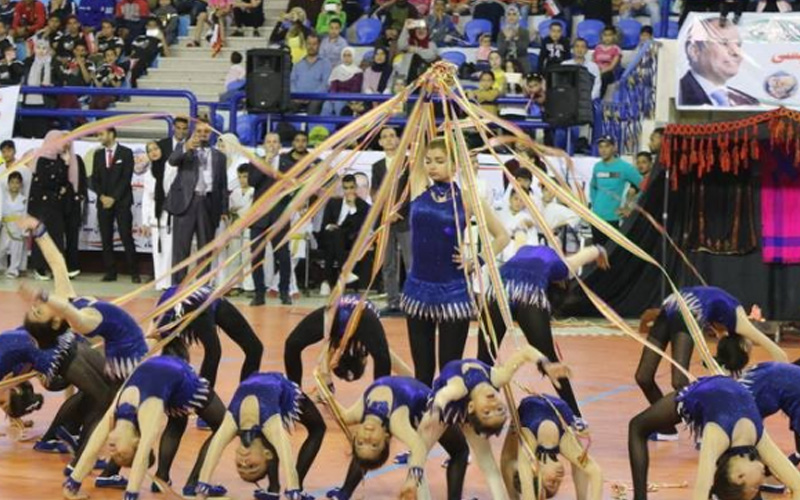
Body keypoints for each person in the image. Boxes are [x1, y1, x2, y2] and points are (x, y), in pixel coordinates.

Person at [402, 138, 509, 387]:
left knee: (449, 372)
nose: (432, 166)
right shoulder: (418, 188)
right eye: (428, 161)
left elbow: (502, 236)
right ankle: (423, 410)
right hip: (417, 291)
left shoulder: (467, 198)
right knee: (422, 372)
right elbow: (417, 150)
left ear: (454, 164)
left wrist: (476, 260)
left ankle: (448, 410)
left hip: (453, 293)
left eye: (440, 161)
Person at [62, 355, 230, 500]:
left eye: (117, 456)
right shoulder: (148, 412)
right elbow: (142, 453)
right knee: (210, 424)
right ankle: (192, 483)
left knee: (214, 425)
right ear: (136, 440)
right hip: (172, 382)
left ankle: (186, 481)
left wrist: (73, 483)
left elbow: (94, 444)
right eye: (122, 455)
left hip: (178, 376)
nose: (113, 452)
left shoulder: (121, 409)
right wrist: (131, 494)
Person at [635, 285, 788, 441]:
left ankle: (708, 430)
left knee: (679, 381)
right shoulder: (739, 323)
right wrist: (788, 375)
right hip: (672, 309)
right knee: (643, 377)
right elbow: (778, 351)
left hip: (683, 312)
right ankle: (667, 429)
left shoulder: (729, 326)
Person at [418, 351, 571, 500]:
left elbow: (442, 398)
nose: (493, 405)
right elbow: (525, 352)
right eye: (499, 409)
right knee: (418, 458)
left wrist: (431, 417)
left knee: (488, 463)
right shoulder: (497, 378)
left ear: (471, 408)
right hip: (449, 409)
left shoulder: (461, 390)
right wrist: (545, 363)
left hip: (451, 408)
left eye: (488, 412)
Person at [478, 245, 609, 417]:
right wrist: (599, 251)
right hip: (529, 294)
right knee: (549, 359)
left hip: (498, 293)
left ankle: (472, 412)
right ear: (560, 284)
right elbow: (583, 256)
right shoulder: (561, 268)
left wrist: (598, 251)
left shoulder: (523, 248)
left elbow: (520, 236)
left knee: (483, 361)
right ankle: (576, 417)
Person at [18, 216, 149, 382]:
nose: (38, 305)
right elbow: (66, 309)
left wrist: (39, 230)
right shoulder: (79, 323)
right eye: (38, 312)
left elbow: (57, 264)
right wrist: (41, 294)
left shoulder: (66, 300)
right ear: (56, 322)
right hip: (129, 359)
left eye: (34, 307)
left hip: (129, 347)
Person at [628, 375, 800, 500]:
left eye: (756, 486)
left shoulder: (716, 436)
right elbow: (797, 484)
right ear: (740, 477)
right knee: (636, 427)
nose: (761, 482)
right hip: (700, 391)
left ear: (738, 476)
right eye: (756, 488)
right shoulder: (757, 438)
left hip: (709, 396)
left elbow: (701, 490)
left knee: (637, 426)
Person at [192, 373, 322, 500]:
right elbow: (286, 455)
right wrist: (293, 490)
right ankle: (282, 488)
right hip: (282, 390)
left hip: (264, 387)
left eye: (240, 466)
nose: (244, 461)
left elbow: (214, 450)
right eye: (252, 466)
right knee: (318, 428)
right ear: (267, 455)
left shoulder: (232, 420)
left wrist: (202, 487)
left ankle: (273, 488)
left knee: (270, 438)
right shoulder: (270, 422)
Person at [326, 376, 443, 500]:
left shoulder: (360, 412)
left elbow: (343, 417)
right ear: (386, 437)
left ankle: (345, 492)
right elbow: (419, 447)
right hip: (437, 410)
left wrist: (325, 395)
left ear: (354, 436)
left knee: (363, 456)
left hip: (423, 392)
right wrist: (412, 481)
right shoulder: (396, 421)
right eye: (374, 444)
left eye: (360, 442)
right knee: (455, 452)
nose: (367, 435)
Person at [284, 295, 412, 394]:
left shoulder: (340, 345)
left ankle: (295, 394)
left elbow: (387, 359)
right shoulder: (349, 344)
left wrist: (325, 384)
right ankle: (379, 397)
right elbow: (387, 360)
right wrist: (414, 381)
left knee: (292, 345)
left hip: (343, 312)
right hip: (352, 314)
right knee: (382, 358)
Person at [500, 394, 603, 499]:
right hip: (559, 408)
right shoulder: (564, 442)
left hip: (525, 410)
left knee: (510, 460)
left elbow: (525, 482)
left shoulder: (529, 441)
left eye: (551, 482)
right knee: (578, 461)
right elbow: (596, 472)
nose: (559, 478)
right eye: (558, 483)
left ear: (536, 475)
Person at [165, 120, 229, 284]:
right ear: (193, 132)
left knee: (205, 249)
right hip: (186, 203)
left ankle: (202, 287)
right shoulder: (185, 148)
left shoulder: (219, 157)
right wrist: (186, 147)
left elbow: (222, 185)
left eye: (206, 132)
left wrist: (224, 210)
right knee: (181, 249)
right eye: (199, 131)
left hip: (208, 203)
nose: (202, 134)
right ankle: (177, 287)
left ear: (211, 133)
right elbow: (172, 160)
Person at [91, 127, 139, 283]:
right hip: (103, 203)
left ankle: (134, 272)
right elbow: (94, 179)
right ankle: (110, 272)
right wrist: (102, 196)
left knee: (126, 236)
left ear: (111, 134)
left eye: (101, 134)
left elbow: (126, 178)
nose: (99, 137)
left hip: (122, 202)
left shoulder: (126, 153)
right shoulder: (98, 154)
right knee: (106, 238)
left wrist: (113, 198)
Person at [370, 127, 410, 316]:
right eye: (384, 137)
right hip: (385, 220)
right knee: (388, 264)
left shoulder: (408, 162)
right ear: (380, 142)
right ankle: (393, 302)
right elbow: (375, 192)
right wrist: (385, 211)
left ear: (398, 140)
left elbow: (411, 190)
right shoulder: (377, 166)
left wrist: (398, 211)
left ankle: (411, 302)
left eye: (392, 136)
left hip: (405, 219)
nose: (388, 139)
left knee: (410, 263)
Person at [679, 17, 758, 107]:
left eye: (738, 45)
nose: (736, 52)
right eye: (724, 43)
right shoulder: (678, 93)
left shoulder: (748, 103)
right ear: (694, 51)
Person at [246, 132, 284, 306]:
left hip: (279, 216)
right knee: (256, 256)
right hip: (259, 217)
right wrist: (266, 163)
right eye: (268, 142)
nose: (272, 145)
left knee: (283, 256)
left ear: (280, 145)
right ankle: (259, 293)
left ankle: (284, 292)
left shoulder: (286, 163)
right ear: (264, 145)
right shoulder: (256, 162)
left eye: (275, 142)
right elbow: (253, 182)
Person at [27, 130, 71, 280]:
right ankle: (39, 268)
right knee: (42, 235)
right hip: (41, 204)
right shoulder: (42, 159)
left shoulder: (61, 159)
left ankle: (57, 268)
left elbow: (63, 181)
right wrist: (58, 187)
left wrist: (65, 164)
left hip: (55, 204)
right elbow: (46, 181)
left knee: (57, 236)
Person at [319, 174, 369, 294]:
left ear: (355, 188)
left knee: (337, 235)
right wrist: (330, 226)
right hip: (331, 236)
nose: (348, 191)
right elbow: (325, 224)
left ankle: (326, 282)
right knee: (334, 235)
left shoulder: (362, 206)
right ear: (342, 188)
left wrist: (352, 207)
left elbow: (357, 227)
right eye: (346, 188)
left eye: (351, 187)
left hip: (349, 239)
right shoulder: (333, 202)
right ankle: (345, 272)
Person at [588, 135, 642, 246]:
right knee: (598, 252)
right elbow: (593, 187)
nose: (603, 150)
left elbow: (644, 186)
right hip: (596, 218)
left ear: (614, 147)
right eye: (600, 146)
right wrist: (595, 205)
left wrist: (630, 208)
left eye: (607, 146)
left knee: (611, 252)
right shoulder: (597, 167)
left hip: (613, 219)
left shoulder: (625, 167)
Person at [141, 141, 173, 290]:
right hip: (155, 215)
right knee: (157, 251)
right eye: (150, 150)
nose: (153, 152)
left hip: (170, 214)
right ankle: (160, 284)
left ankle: (169, 283)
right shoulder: (148, 173)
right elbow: (146, 198)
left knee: (169, 250)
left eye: (156, 148)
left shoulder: (171, 168)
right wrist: (145, 221)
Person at [289, 33, 331, 115]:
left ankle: (310, 124)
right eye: (309, 44)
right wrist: (296, 96)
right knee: (286, 106)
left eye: (314, 44)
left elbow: (325, 84)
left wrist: (310, 97)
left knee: (314, 105)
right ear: (306, 44)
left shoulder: (325, 63)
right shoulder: (298, 63)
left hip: (316, 98)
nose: (311, 47)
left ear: (319, 45)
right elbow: (292, 81)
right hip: (297, 98)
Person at [0, 171, 27, 278]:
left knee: (16, 249)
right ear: (8, 184)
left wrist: (24, 230)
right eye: (12, 182)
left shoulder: (23, 199)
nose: (14, 185)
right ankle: (2, 267)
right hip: (6, 226)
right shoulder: (3, 197)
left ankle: (13, 270)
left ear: (20, 185)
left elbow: (24, 214)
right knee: (2, 248)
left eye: (17, 183)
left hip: (18, 226)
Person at [396, 19, 437, 84]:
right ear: (415, 31)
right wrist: (405, 28)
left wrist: (415, 50)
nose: (421, 31)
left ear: (427, 31)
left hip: (423, 82)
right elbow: (401, 45)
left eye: (424, 29)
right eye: (418, 29)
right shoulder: (410, 42)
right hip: (405, 80)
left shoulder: (431, 44)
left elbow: (431, 55)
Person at [497, 6, 530, 74]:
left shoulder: (524, 32)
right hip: (505, 59)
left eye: (514, 14)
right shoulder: (501, 33)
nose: (511, 17)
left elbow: (522, 51)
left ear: (518, 17)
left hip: (520, 59)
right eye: (509, 14)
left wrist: (516, 38)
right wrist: (507, 38)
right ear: (506, 17)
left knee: (526, 69)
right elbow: (501, 52)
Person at [593, 26, 621, 99]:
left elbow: (612, 66)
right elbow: (593, 62)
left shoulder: (616, 49)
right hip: (597, 70)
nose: (607, 38)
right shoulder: (597, 48)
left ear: (614, 36)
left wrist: (601, 72)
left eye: (610, 35)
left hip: (609, 73)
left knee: (604, 77)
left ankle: (599, 98)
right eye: (605, 35)